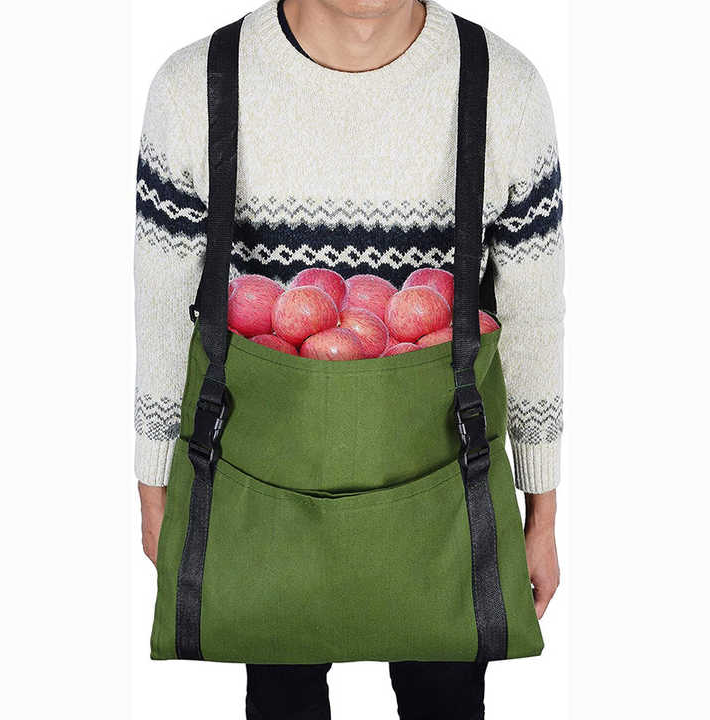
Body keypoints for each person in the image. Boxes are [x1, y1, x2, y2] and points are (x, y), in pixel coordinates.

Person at [135, 1, 563, 717]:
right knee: (282, 695)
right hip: (262, 481)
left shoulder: (504, 87)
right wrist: (156, 487)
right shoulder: (195, 86)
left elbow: (535, 317)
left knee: (445, 698)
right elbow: (159, 310)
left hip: (443, 478)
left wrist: (541, 510)